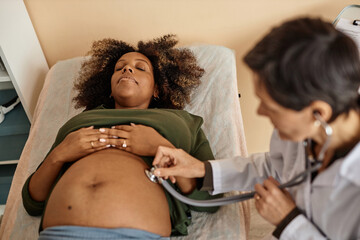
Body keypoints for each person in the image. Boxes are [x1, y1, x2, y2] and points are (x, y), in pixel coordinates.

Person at [153, 18, 360, 240]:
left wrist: (289, 222)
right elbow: (275, 165)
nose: (260, 112)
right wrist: (202, 169)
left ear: (319, 113)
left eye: (271, 106)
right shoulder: (301, 132)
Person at [21, 34, 221, 240]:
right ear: (109, 88)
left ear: (157, 90)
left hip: (137, 234)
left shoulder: (183, 121)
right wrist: (59, 155)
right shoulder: (81, 121)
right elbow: (32, 201)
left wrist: (161, 147)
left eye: (140, 68)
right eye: (119, 68)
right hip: (61, 234)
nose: (127, 69)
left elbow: (211, 195)